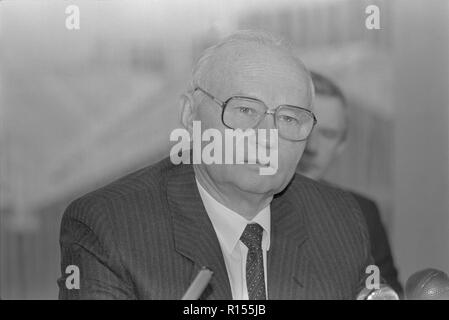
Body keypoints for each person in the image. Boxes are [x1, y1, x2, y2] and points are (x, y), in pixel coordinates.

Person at [58, 30, 373, 300]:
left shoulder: (339, 218)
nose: (267, 137)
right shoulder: (110, 224)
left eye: (289, 118)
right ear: (189, 114)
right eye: (245, 110)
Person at [297, 71, 403, 295]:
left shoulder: (362, 212)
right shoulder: (247, 201)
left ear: (342, 145)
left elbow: (384, 290)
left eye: (328, 134)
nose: (312, 147)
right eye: (304, 128)